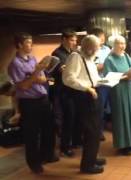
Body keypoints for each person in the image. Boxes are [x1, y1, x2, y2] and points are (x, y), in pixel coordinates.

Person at [8, 32, 58, 174]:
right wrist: (35, 73)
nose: (31, 45)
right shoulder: (15, 64)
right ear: (19, 45)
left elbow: (42, 79)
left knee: (48, 129)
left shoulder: (33, 59)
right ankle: (34, 163)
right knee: (32, 134)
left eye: (31, 42)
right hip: (29, 103)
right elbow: (23, 86)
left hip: (42, 99)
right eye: (28, 43)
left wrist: (35, 75)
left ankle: (46, 156)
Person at [62, 35, 105, 174]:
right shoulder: (75, 57)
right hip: (84, 96)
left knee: (96, 129)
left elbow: (91, 76)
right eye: (95, 49)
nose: (96, 51)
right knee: (91, 130)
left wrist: (103, 81)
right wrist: (86, 88)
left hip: (94, 93)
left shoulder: (89, 56)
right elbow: (68, 79)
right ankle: (87, 165)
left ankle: (92, 157)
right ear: (87, 47)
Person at [104, 35, 131, 156]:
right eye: (119, 44)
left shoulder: (127, 56)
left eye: (124, 43)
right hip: (118, 90)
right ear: (113, 45)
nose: (122, 46)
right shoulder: (109, 59)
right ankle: (123, 145)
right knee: (122, 116)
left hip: (129, 88)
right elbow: (108, 77)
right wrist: (125, 76)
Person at [51, 29, 78, 157]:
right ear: (64, 40)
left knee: (74, 118)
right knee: (67, 118)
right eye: (71, 40)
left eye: (75, 40)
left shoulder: (73, 52)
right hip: (63, 91)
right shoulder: (57, 53)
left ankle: (74, 141)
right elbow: (62, 71)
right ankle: (64, 147)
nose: (74, 42)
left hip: (73, 90)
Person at [88, 27, 111, 140]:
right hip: (99, 83)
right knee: (100, 109)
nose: (103, 39)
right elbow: (92, 67)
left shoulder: (107, 49)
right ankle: (99, 131)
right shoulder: (92, 50)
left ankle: (108, 126)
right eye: (100, 38)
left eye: (103, 37)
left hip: (110, 81)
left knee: (109, 108)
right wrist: (103, 66)